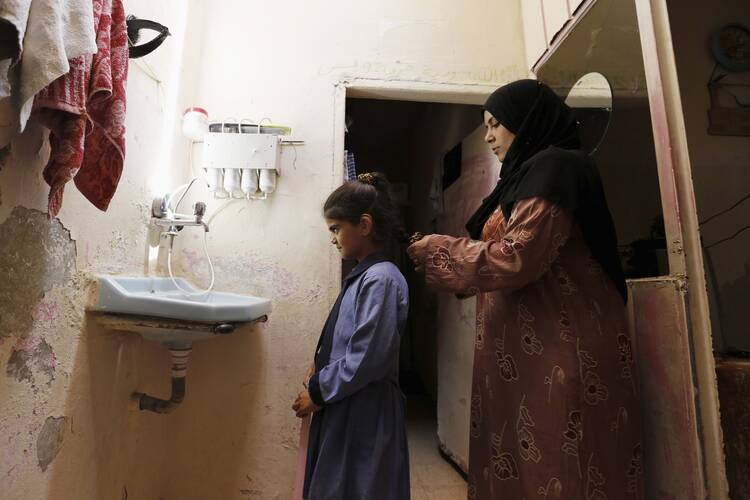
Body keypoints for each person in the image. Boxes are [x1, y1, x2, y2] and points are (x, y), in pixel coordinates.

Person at [407, 80, 643, 500]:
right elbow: (499, 256)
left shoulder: (558, 167)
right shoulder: (521, 178)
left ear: (527, 121)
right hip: (521, 358)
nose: (489, 135)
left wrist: (440, 250)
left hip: (561, 349)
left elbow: (517, 258)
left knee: (563, 466)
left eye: (497, 123)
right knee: (523, 463)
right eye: (485, 125)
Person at [293, 172, 411, 500]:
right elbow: (346, 341)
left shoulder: (381, 281)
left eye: (335, 229)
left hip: (366, 409)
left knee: (362, 486)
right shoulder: (363, 277)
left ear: (364, 225)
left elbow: (366, 358)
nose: (332, 238)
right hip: (348, 401)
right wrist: (318, 368)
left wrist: (319, 390)